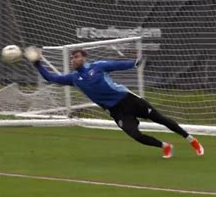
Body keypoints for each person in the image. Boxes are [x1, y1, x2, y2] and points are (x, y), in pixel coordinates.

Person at [34, 49, 204, 158]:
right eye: (72, 58)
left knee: (161, 119)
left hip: (128, 99)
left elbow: (117, 65)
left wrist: (134, 63)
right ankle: (165, 146)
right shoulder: (73, 78)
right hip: (116, 111)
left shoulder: (98, 67)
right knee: (136, 135)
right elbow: (50, 78)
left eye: (76, 56)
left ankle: (191, 140)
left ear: (84, 58)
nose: (73, 59)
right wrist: (37, 63)